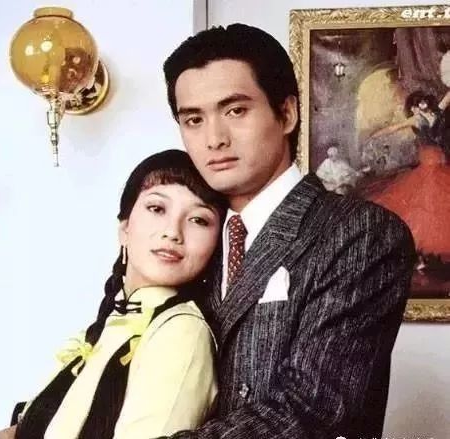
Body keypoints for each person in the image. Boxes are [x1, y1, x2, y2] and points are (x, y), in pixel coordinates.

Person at [161, 23, 416, 438]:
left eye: (235, 111)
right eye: (193, 119)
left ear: (287, 113)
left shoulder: (361, 232)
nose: (214, 138)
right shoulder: (190, 235)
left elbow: (311, 409)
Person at [0, 150, 227, 439]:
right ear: (125, 228)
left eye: (199, 220)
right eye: (157, 208)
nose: (173, 232)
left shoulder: (181, 331)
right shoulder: (110, 323)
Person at [367, 89, 450, 257]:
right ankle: (421, 249)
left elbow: (447, 98)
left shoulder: (437, 113)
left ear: (426, 103)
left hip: (441, 161)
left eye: (421, 103)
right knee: (428, 202)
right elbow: (393, 128)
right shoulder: (416, 119)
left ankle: (428, 253)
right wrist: (374, 135)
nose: (418, 107)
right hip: (428, 162)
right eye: (416, 105)